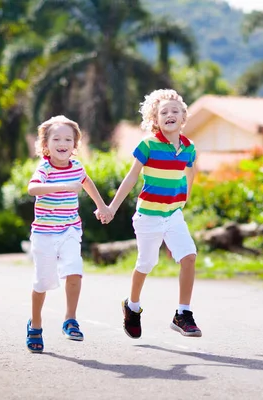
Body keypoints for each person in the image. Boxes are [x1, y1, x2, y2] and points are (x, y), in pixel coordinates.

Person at [105, 89, 202, 339]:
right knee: (146, 263)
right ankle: (132, 306)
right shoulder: (148, 145)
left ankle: (183, 314)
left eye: (175, 111)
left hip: (173, 214)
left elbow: (190, 172)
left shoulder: (189, 148)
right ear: (155, 120)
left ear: (183, 117)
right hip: (148, 214)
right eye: (163, 112)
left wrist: (185, 197)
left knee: (189, 256)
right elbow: (131, 177)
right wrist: (112, 207)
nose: (170, 115)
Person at [25, 115, 112, 353]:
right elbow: (32, 188)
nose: (62, 143)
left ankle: (70, 319)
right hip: (44, 234)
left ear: (75, 145)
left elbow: (87, 182)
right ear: (45, 144)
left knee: (74, 271)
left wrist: (102, 206)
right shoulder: (44, 167)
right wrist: (62, 187)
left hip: (70, 230)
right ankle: (36, 324)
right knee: (43, 282)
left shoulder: (76, 167)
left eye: (68, 139)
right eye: (56, 139)